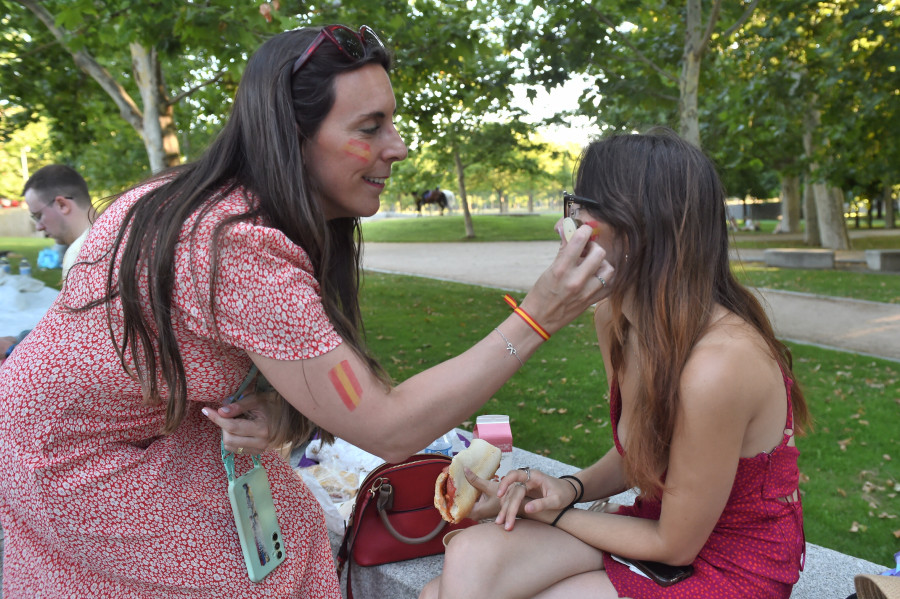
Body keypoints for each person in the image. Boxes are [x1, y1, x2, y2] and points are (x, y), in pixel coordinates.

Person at [0, 25, 610, 597]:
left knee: (289, 516)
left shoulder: (187, 196)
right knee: (281, 557)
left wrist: (279, 413)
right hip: (68, 460)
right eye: (370, 127)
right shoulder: (239, 248)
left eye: (391, 123)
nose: (397, 148)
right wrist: (538, 316)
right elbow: (387, 427)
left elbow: (238, 355)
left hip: (89, 431)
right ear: (290, 135)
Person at [421, 129, 810, 599]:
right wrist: (569, 488)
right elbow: (639, 451)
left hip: (730, 564)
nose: (566, 226)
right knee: (469, 557)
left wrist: (557, 514)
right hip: (656, 533)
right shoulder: (616, 319)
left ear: (638, 228)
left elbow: (674, 545)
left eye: (580, 208)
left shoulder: (719, 366)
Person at [22, 164, 96, 279]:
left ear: (62, 205)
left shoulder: (78, 257)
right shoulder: (122, 232)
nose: (38, 227)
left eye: (39, 215)